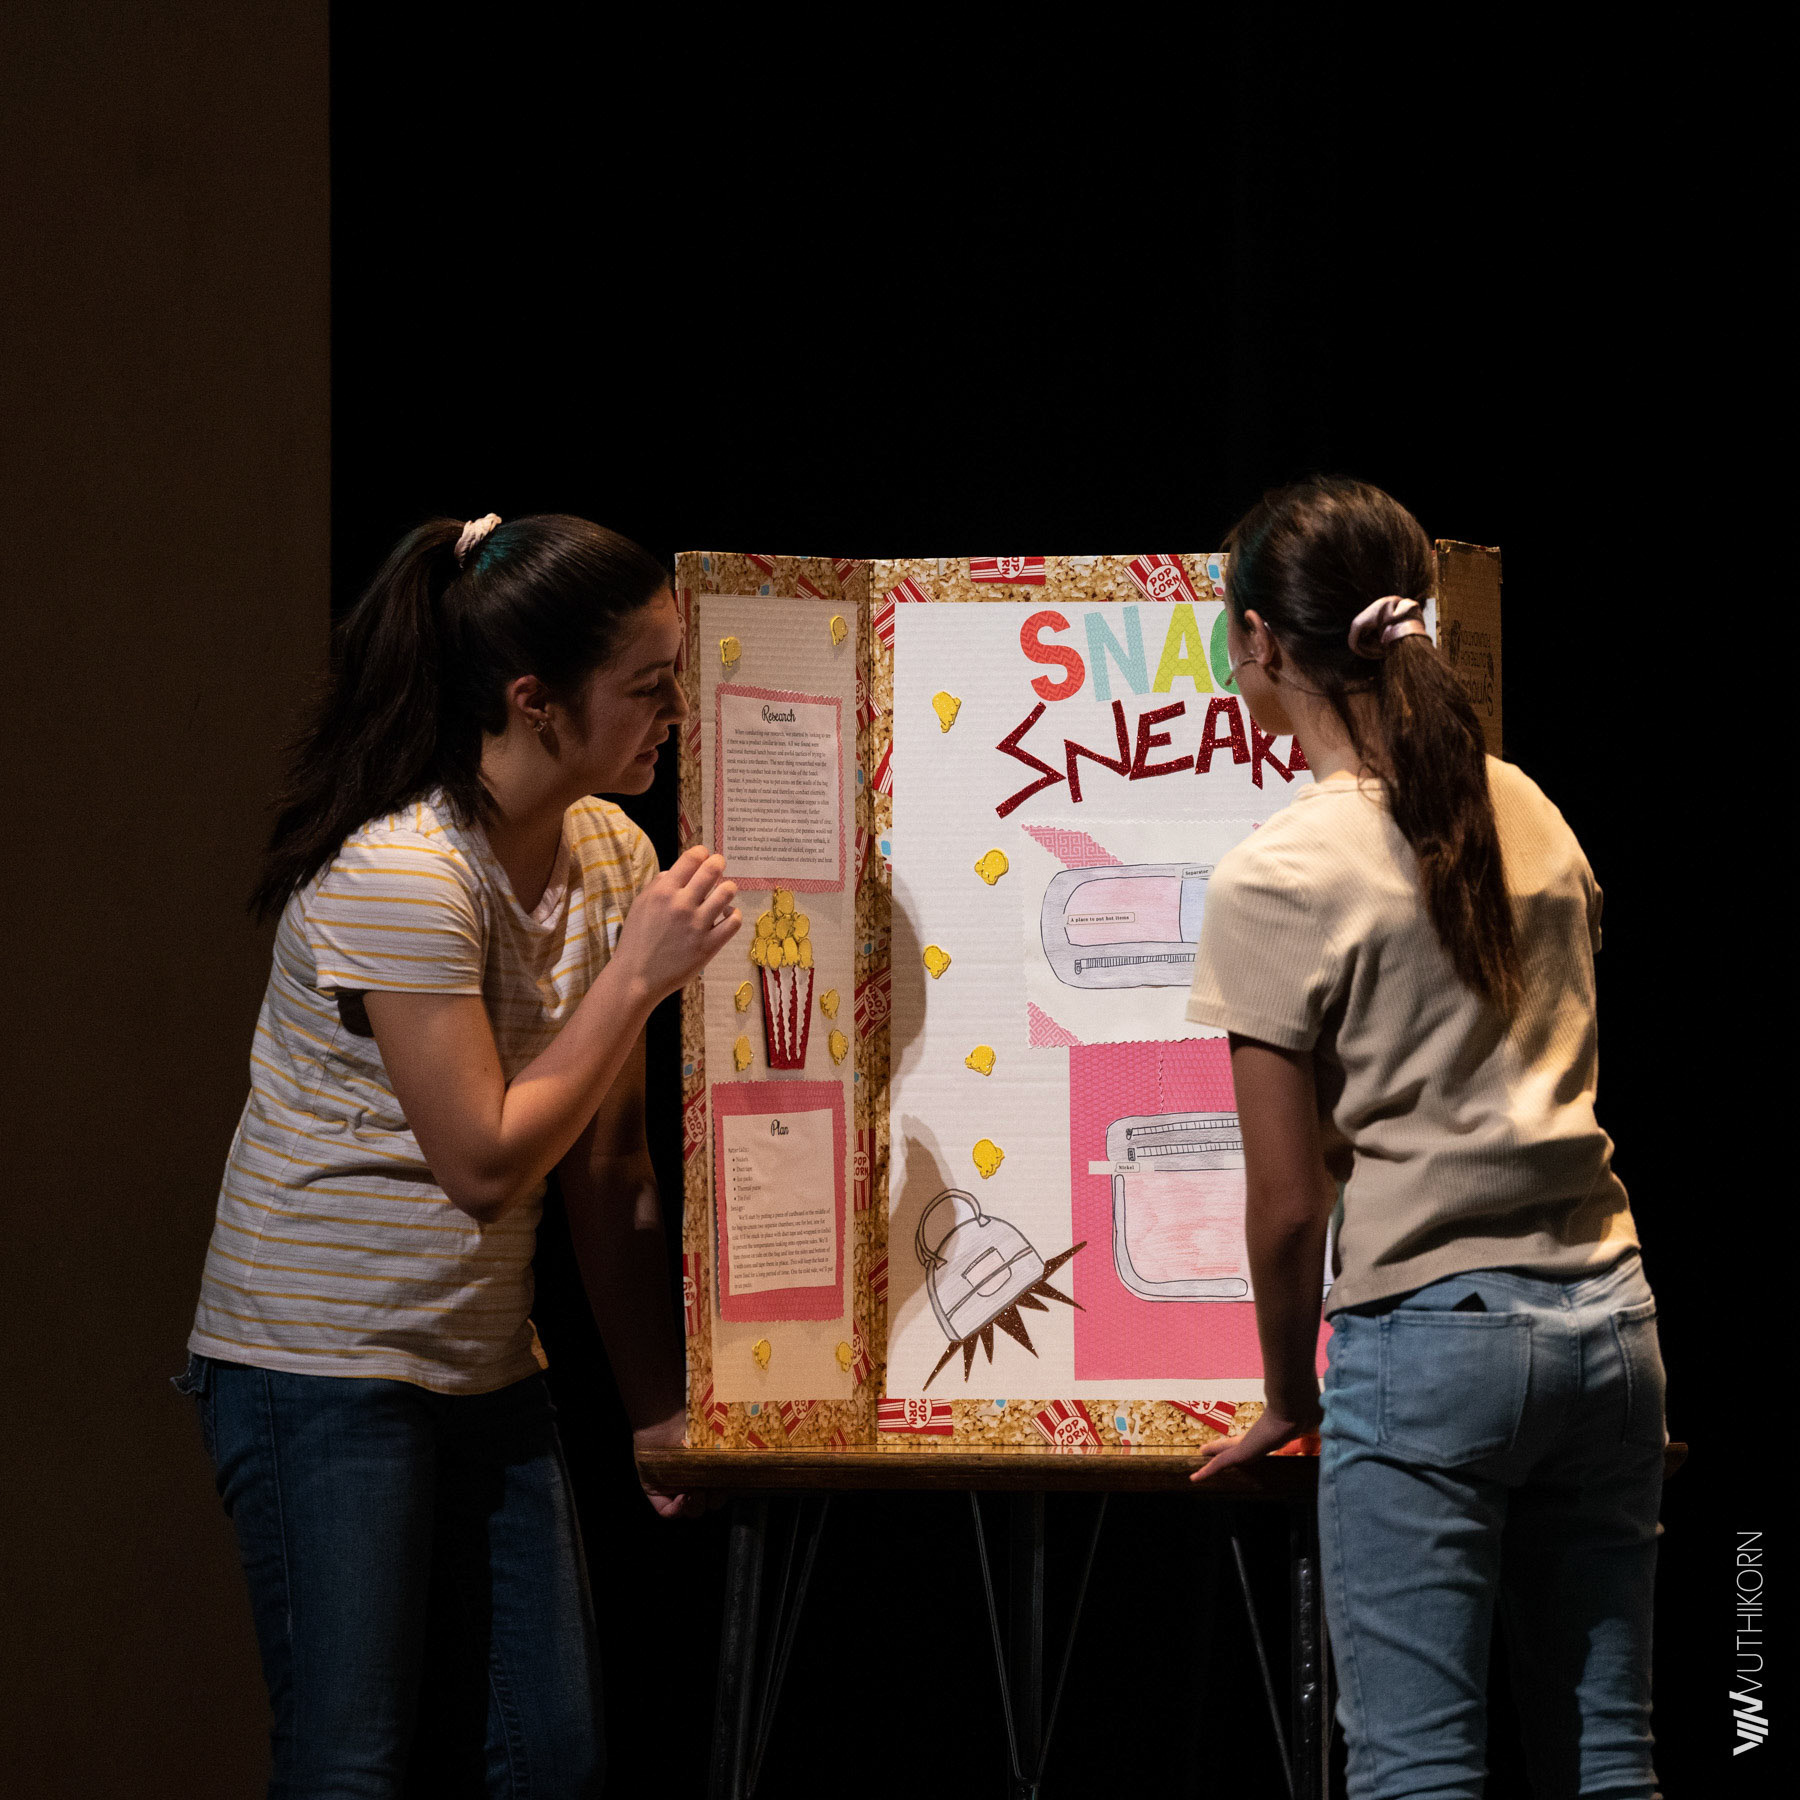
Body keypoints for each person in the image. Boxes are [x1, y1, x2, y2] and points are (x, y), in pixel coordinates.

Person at [174, 512, 739, 1797]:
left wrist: (658, 1409)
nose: (674, 715)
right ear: (536, 702)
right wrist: (636, 978)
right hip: (318, 1361)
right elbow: (482, 1165)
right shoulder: (404, 872)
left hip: (483, 1361)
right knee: (350, 1765)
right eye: (648, 686)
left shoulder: (612, 855)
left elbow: (608, 1165)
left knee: (553, 1757)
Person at [1187, 479, 1664, 1799]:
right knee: (1609, 1760)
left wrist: (1290, 1398)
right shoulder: (1532, 808)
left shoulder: (1280, 872)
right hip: (1613, 1322)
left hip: (1435, 1339)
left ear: (1260, 644)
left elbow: (1290, 1203)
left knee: (1417, 1772)